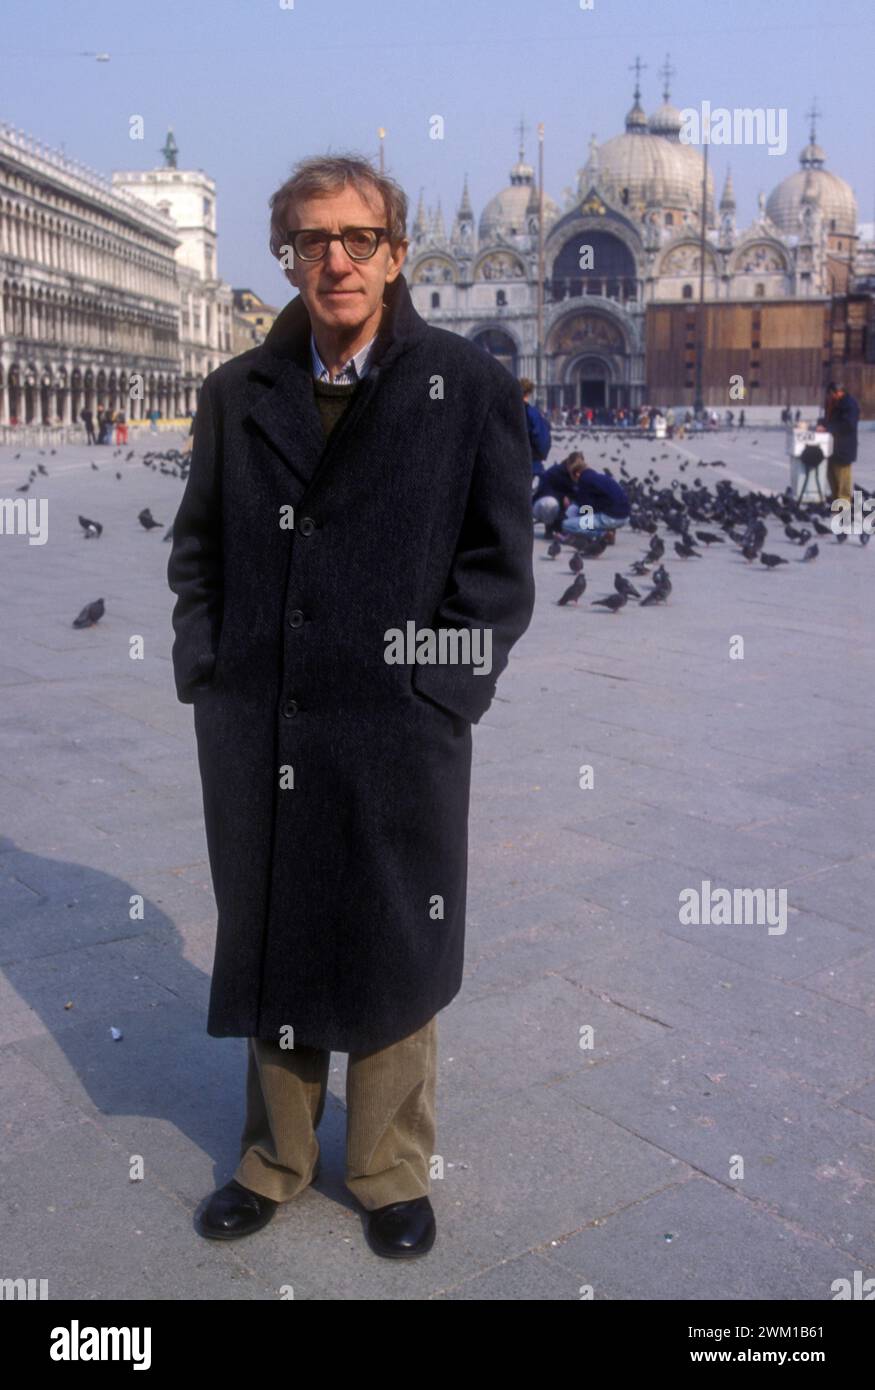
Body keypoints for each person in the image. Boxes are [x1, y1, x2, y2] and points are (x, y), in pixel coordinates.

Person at [167, 152, 535, 1259]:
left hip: (397, 725)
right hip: (262, 720)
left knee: (394, 935)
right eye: (310, 241)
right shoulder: (237, 393)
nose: (334, 260)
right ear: (286, 258)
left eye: (356, 238)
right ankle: (271, 1158)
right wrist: (208, 667)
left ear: (397, 252)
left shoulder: (466, 387)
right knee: (275, 928)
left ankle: (385, 1168)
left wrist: (438, 692)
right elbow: (198, 550)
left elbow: (497, 568)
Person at [556, 450, 631, 544]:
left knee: (566, 525)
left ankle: (603, 534)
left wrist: (575, 525)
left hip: (610, 517)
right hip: (624, 515)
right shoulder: (599, 477)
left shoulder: (584, 481)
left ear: (576, 474)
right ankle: (609, 531)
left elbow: (587, 509)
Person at [532, 452, 584, 537]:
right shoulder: (554, 472)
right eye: (575, 466)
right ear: (568, 463)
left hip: (564, 510)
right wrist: (562, 497)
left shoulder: (580, 476)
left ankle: (569, 530)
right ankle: (549, 526)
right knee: (550, 503)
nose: (576, 470)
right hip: (543, 504)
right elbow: (543, 491)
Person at [825, 380, 860, 504]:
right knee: (832, 476)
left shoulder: (849, 404)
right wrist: (822, 425)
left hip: (844, 448)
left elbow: (848, 424)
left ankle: (844, 505)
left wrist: (829, 428)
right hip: (832, 447)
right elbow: (829, 420)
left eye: (831, 394)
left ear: (838, 392)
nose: (829, 396)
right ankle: (837, 503)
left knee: (843, 479)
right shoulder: (834, 403)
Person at [520, 377, 551, 486]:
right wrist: (540, 456)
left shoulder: (505, 410)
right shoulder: (532, 413)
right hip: (530, 461)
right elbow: (541, 440)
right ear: (529, 393)